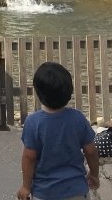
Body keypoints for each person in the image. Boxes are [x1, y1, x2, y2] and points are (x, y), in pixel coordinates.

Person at [18, 62, 99, 200]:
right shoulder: (78, 118)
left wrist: (26, 186)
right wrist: (94, 174)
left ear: (39, 93)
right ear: (70, 90)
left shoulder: (33, 122)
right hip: (76, 190)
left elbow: (29, 157)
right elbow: (90, 151)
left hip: (44, 193)